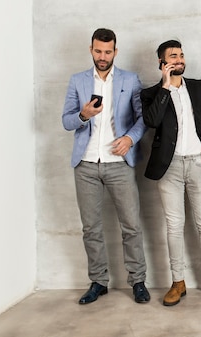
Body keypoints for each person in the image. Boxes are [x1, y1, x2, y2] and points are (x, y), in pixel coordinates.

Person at [141, 39, 201, 306]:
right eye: (172, 56)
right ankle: (177, 282)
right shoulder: (151, 94)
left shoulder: (199, 87)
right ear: (162, 62)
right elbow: (151, 121)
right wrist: (165, 86)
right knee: (174, 225)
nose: (179, 59)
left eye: (181, 55)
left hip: (198, 164)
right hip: (168, 167)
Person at [61, 28, 150, 305]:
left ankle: (138, 281)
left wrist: (129, 138)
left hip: (119, 163)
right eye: (98, 51)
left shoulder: (130, 79)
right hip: (86, 164)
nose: (102, 56)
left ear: (115, 51)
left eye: (107, 51)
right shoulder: (78, 81)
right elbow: (66, 121)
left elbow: (142, 119)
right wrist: (83, 115)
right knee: (91, 228)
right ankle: (98, 281)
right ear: (91, 50)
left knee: (131, 226)